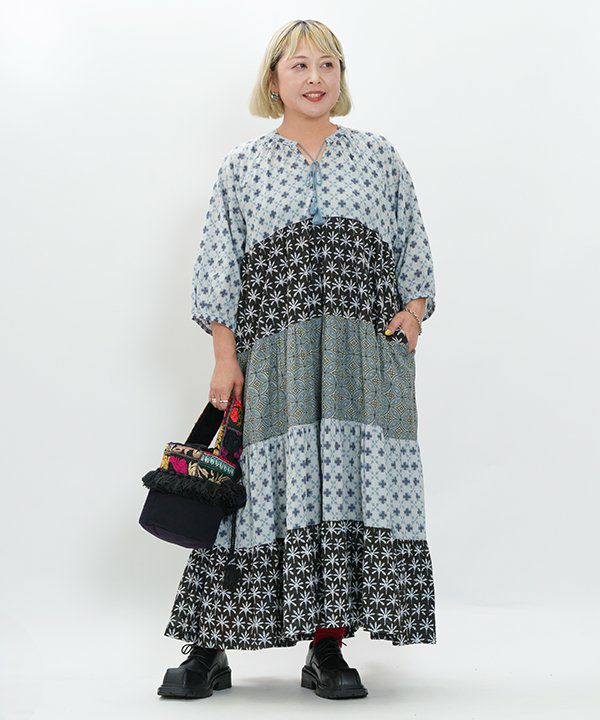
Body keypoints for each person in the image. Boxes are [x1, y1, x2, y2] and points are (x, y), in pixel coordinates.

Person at [157, 18, 437, 702]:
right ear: (274, 79)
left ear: (341, 77)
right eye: (300, 66)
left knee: (345, 489)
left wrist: (413, 314)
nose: (316, 78)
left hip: (360, 363)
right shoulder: (244, 166)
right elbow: (219, 265)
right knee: (245, 495)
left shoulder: (378, 157)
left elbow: (412, 245)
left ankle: (327, 647)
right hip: (272, 362)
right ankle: (209, 646)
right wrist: (224, 357)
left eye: (328, 65)